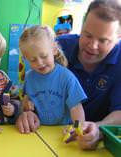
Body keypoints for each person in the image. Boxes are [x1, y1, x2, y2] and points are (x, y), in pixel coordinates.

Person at [16, 0, 121, 150]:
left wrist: (95, 128)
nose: (92, 46)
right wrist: (25, 113)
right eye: (87, 35)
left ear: (118, 38)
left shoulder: (65, 75)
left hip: (92, 144)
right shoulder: (57, 45)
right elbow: (27, 98)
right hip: (42, 137)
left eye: (103, 40)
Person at [19, 25, 86, 125]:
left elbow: (76, 108)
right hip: (38, 131)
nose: (40, 63)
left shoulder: (67, 77)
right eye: (33, 60)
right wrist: (27, 107)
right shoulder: (29, 77)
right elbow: (26, 102)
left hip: (61, 132)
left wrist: (77, 128)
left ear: (54, 49)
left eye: (44, 56)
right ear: (26, 58)